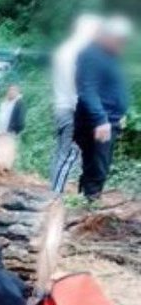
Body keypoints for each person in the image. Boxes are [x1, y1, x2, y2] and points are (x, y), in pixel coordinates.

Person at [73, 16, 133, 199]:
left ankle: (88, 202)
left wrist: (120, 114)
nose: (122, 44)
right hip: (97, 122)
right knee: (97, 166)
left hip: (109, 120)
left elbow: (111, 88)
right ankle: (89, 206)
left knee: (99, 164)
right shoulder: (91, 55)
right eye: (119, 40)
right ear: (106, 36)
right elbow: (87, 90)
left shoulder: (109, 56)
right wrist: (100, 120)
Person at [49, 14, 102, 192]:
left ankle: (53, 194)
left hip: (61, 106)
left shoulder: (64, 50)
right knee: (69, 156)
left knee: (61, 155)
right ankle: (54, 198)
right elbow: (81, 87)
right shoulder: (79, 53)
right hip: (73, 109)